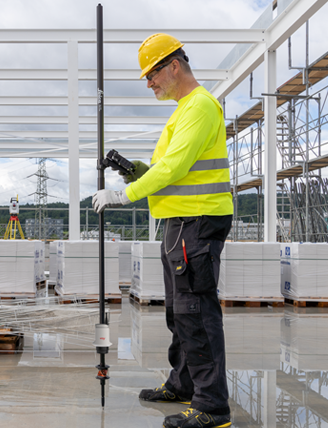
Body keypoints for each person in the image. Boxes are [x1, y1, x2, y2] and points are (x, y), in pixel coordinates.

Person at [92, 33, 233, 428]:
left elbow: (172, 169)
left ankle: (212, 406)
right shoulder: (183, 109)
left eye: (152, 74)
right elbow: (168, 170)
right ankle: (184, 383)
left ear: (174, 66)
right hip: (179, 224)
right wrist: (135, 170)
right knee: (179, 312)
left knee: (196, 312)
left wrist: (123, 194)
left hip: (197, 224)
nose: (149, 83)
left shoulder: (200, 107)